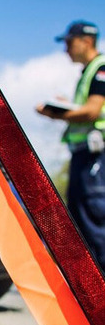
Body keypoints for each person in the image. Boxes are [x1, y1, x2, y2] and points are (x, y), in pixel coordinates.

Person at [36, 20, 105, 266]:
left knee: (94, 221)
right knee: (81, 220)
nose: (66, 49)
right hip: (84, 156)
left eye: (69, 43)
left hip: (95, 158)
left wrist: (56, 113)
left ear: (86, 41)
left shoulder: (101, 69)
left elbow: (92, 111)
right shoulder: (89, 72)